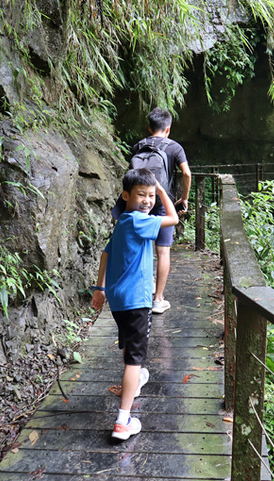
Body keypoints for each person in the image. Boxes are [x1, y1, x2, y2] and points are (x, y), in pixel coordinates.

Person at [91, 168, 179, 440]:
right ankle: (123, 421)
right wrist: (162, 190)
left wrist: (99, 289)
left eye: (151, 195)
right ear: (126, 195)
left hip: (118, 299)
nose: (148, 200)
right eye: (142, 194)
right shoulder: (140, 220)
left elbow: (105, 254)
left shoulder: (123, 222)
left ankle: (134, 383)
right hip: (137, 300)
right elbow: (174, 218)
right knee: (135, 360)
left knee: (130, 347)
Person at [130, 108, 191, 314]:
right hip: (164, 202)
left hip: (141, 202)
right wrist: (184, 198)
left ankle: (143, 291)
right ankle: (158, 300)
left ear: (149, 128)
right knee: (163, 250)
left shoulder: (138, 146)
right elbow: (186, 173)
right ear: (168, 129)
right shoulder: (174, 147)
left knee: (143, 246)